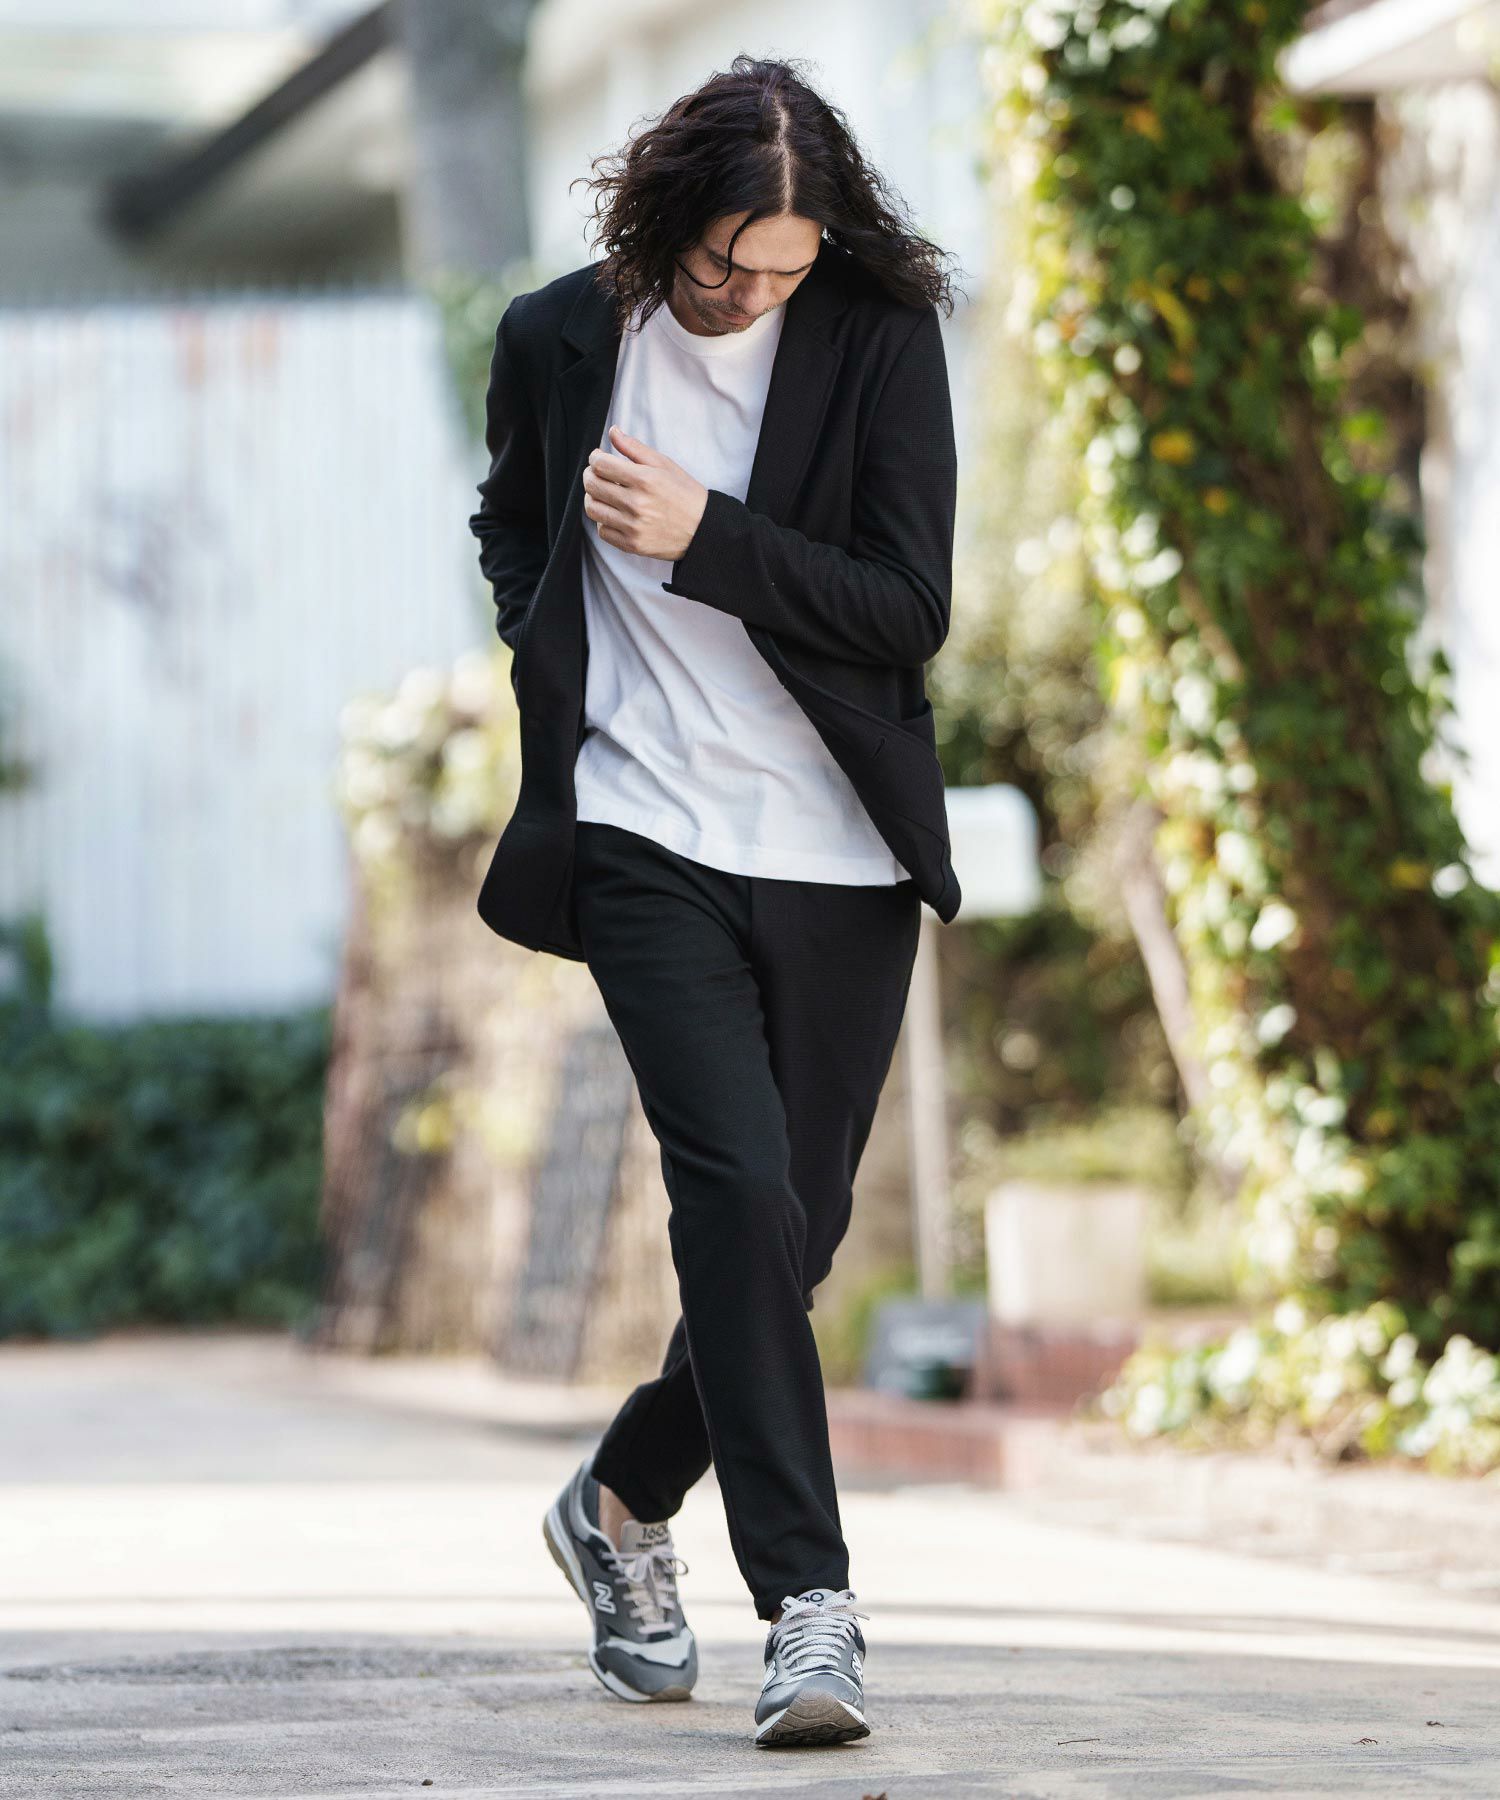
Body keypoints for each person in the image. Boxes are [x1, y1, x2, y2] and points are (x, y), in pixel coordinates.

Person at [468, 53, 961, 1749]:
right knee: (734, 1190)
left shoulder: (879, 339)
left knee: (789, 1241)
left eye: (782, 273)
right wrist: (560, 651)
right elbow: (510, 524)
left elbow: (906, 608)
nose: (749, 296)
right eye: (723, 265)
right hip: (641, 830)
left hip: (837, 850)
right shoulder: (557, 337)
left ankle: (616, 1497)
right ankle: (810, 1608)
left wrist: (706, 534)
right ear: (664, 222)